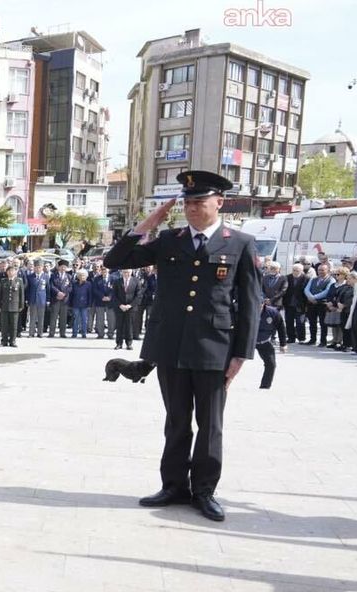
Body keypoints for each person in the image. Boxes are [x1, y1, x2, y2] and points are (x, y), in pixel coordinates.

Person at [103, 170, 261, 522]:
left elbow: (251, 301)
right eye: (187, 202)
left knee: (210, 424)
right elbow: (115, 261)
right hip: (171, 346)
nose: (191, 208)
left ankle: (204, 490)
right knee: (176, 420)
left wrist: (241, 354)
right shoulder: (169, 240)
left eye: (199, 201)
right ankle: (174, 485)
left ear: (219, 202)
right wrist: (148, 223)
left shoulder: (239, 243)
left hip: (214, 348)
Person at [303, 263, 335, 345]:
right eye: (319, 270)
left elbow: (326, 291)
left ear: (327, 270)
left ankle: (323, 341)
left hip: (322, 304)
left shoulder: (331, 280)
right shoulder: (313, 279)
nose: (320, 271)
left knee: (323, 323)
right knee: (312, 322)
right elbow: (306, 289)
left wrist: (314, 297)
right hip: (311, 304)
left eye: (322, 270)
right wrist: (311, 298)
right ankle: (312, 339)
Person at [0, 264, 26, 348]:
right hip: (4, 306)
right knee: (4, 325)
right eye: (9, 271)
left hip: (15, 307)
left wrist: (21, 305)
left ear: (15, 272)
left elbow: (21, 294)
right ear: (7, 272)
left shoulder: (19, 281)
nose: (10, 272)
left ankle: (13, 341)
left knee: (14, 325)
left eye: (12, 271)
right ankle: (4, 341)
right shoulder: (3, 281)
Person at [112, 268, 143, 351]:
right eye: (125, 272)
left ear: (131, 272)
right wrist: (120, 305)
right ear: (122, 272)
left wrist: (130, 305)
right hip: (120, 307)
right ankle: (119, 343)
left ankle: (129, 343)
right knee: (119, 326)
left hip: (131, 308)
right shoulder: (117, 281)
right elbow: (114, 295)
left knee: (129, 326)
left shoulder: (136, 281)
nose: (126, 274)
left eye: (128, 272)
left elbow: (138, 295)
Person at [254, 301, 281, 389]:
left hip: (264, 341)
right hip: (248, 341)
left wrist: (283, 344)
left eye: (261, 305)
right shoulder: (246, 310)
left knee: (271, 363)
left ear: (264, 304)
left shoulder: (273, 312)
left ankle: (265, 386)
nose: (259, 307)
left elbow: (281, 326)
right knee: (233, 361)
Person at [283, 262, 308, 344]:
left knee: (300, 322)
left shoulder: (306, 278)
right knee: (289, 321)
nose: (295, 272)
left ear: (301, 271)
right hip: (289, 303)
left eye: (297, 270)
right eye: (293, 270)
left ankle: (301, 338)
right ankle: (291, 338)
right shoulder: (287, 277)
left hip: (301, 304)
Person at [48, 260, 72, 337]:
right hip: (56, 298)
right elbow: (51, 285)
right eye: (62, 267)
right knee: (53, 317)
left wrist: (64, 294)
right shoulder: (53, 275)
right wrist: (58, 292)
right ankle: (51, 333)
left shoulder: (69, 276)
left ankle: (62, 333)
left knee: (63, 317)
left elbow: (70, 287)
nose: (63, 268)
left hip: (65, 300)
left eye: (65, 267)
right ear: (58, 267)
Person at [24, 262, 49, 338]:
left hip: (42, 299)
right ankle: (31, 333)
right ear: (34, 268)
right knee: (32, 317)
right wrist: (27, 299)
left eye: (39, 267)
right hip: (33, 299)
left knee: (41, 317)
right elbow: (27, 289)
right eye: (36, 267)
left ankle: (40, 333)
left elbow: (48, 289)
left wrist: (48, 300)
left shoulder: (46, 276)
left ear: (42, 268)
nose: (38, 269)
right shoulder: (30, 276)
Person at [69, 269, 92, 338]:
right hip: (76, 304)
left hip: (85, 304)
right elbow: (71, 294)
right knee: (75, 319)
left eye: (84, 275)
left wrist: (89, 304)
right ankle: (74, 333)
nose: (82, 277)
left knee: (84, 319)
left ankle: (84, 333)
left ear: (86, 276)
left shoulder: (88, 284)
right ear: (78, 276)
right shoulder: (74, 284)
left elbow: (90, 295)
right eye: (81, 275)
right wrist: (70, 304)